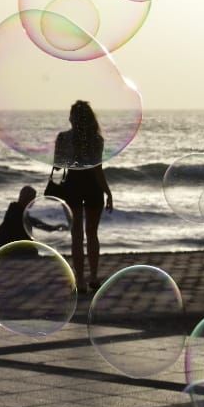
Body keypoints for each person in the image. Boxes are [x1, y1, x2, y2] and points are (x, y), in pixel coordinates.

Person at [51, 99, 113, 294]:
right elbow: (97, 170)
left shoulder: (62, 138)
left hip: (72, 186)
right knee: (92, 234)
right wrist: (108, 192)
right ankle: (94, 277)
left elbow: (58, 165)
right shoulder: (97, 140)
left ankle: (80, 280)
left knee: (76, 236)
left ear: (72, 118)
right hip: (93, 187)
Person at [0, 185, 67, 252]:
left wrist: (54, 228)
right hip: (1, 245)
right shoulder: (17, 214)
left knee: (32, 251)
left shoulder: (17, 210)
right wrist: (54, 228)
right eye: (32, 199)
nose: (33, 202)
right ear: (25, 199)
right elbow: (24, 234)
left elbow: (37, 224)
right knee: (32, 252)